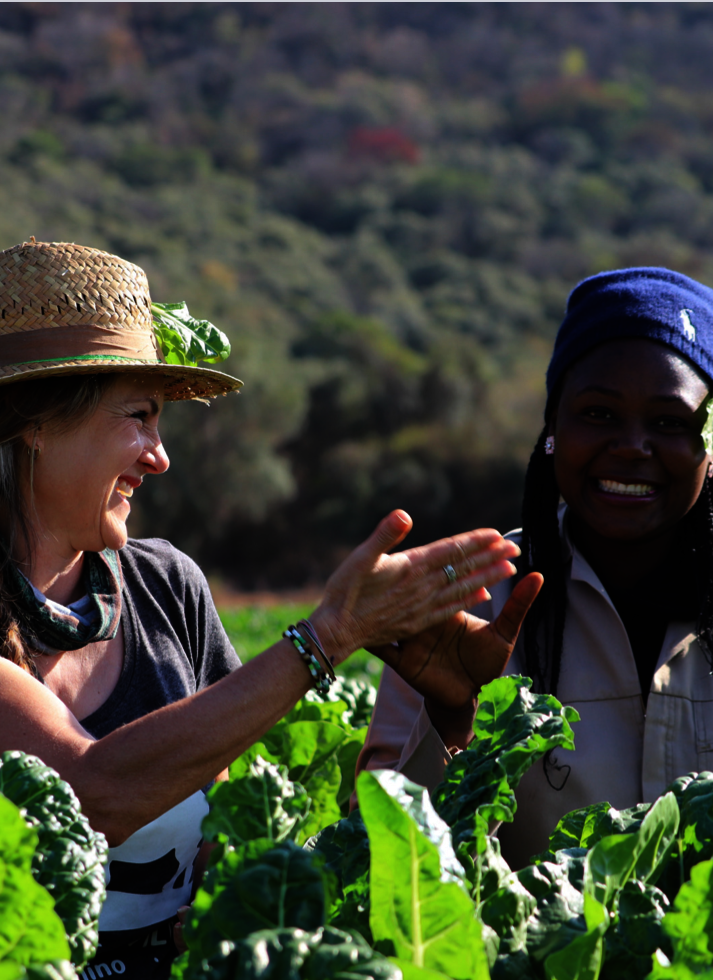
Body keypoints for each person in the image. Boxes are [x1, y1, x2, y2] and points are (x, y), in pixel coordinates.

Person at [0, 239, 541, 977]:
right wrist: (327, 636)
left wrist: (447, 718)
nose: (158, 455)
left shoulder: (168, 587)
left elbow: (234, 832)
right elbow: (94, 796)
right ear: (34, 420)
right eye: (137, 416)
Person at [358, 266, 713, 870]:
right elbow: (374, 871)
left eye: (669, 422)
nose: (632, 445)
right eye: (598, 414)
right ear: (553, 430)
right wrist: (449, 724)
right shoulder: (463, 604)